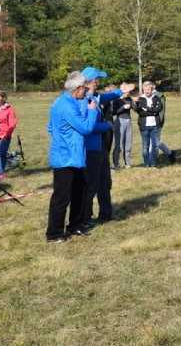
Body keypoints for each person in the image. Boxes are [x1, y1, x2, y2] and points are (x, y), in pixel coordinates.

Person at [46, 71, 100, 242]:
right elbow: (85, 128)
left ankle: (75, 227)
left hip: (76, 156)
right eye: (84, 88)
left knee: (80, 192)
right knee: (62, 197)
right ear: (77, 89)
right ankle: (54, 234)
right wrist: (92, 111)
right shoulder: (66, 106)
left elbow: (50, 128)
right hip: (64, 158)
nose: (86, 91)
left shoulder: (69, 101)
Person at [80, 67, 135, 227]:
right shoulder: (84, 99)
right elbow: (85, 126)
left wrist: (120, 91)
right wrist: (105, 127)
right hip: (90, 148)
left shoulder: (94, 96)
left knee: (105, 183)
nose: (99, 82)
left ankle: (106, 214)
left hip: (101, 147)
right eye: (98, 80)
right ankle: (85, 218)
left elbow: (105, 97)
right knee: (91, 186)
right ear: (91, 81)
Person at [133, 81, 164, 168]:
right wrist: (152, 111)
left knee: (154, 145)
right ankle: (146, 163)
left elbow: (159, 109)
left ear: (152, 90)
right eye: (145, 89)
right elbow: (139, 112)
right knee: (145, 146)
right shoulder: (140, 99)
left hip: (155, 125)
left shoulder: (156, 98)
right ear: (143, 90)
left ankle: (153, 163)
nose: (147, 91)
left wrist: (147, 109)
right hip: (144, 126)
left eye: (149, 89)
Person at [0, 90, 17, 180]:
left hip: (5, 135)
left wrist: (5, 134)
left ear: (2, 97)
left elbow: (12, 123)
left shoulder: (9, 108)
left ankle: (1, 172)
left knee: (2, 154)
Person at [111, 87, 135, 169]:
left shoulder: (129, 99)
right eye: (126, 91)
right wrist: (123, 107)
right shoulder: (117, 100)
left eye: (129, 92)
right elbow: (113, 112)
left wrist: (134, 102)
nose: (127, 93)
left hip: (129, 121)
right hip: (120, 121)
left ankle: (127, 163)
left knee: (128, 144)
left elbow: (135, 109)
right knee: (119, 144)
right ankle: (116, 164)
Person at [153, 88, 177, 164]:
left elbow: (161, 112)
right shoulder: (145, 96)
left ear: (153, 86)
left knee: (156, 142)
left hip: (157, 122)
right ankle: (169, 153)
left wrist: (159, 122)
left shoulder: (160, 96)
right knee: (151, 142)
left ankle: (154, 160)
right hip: (146, 123)